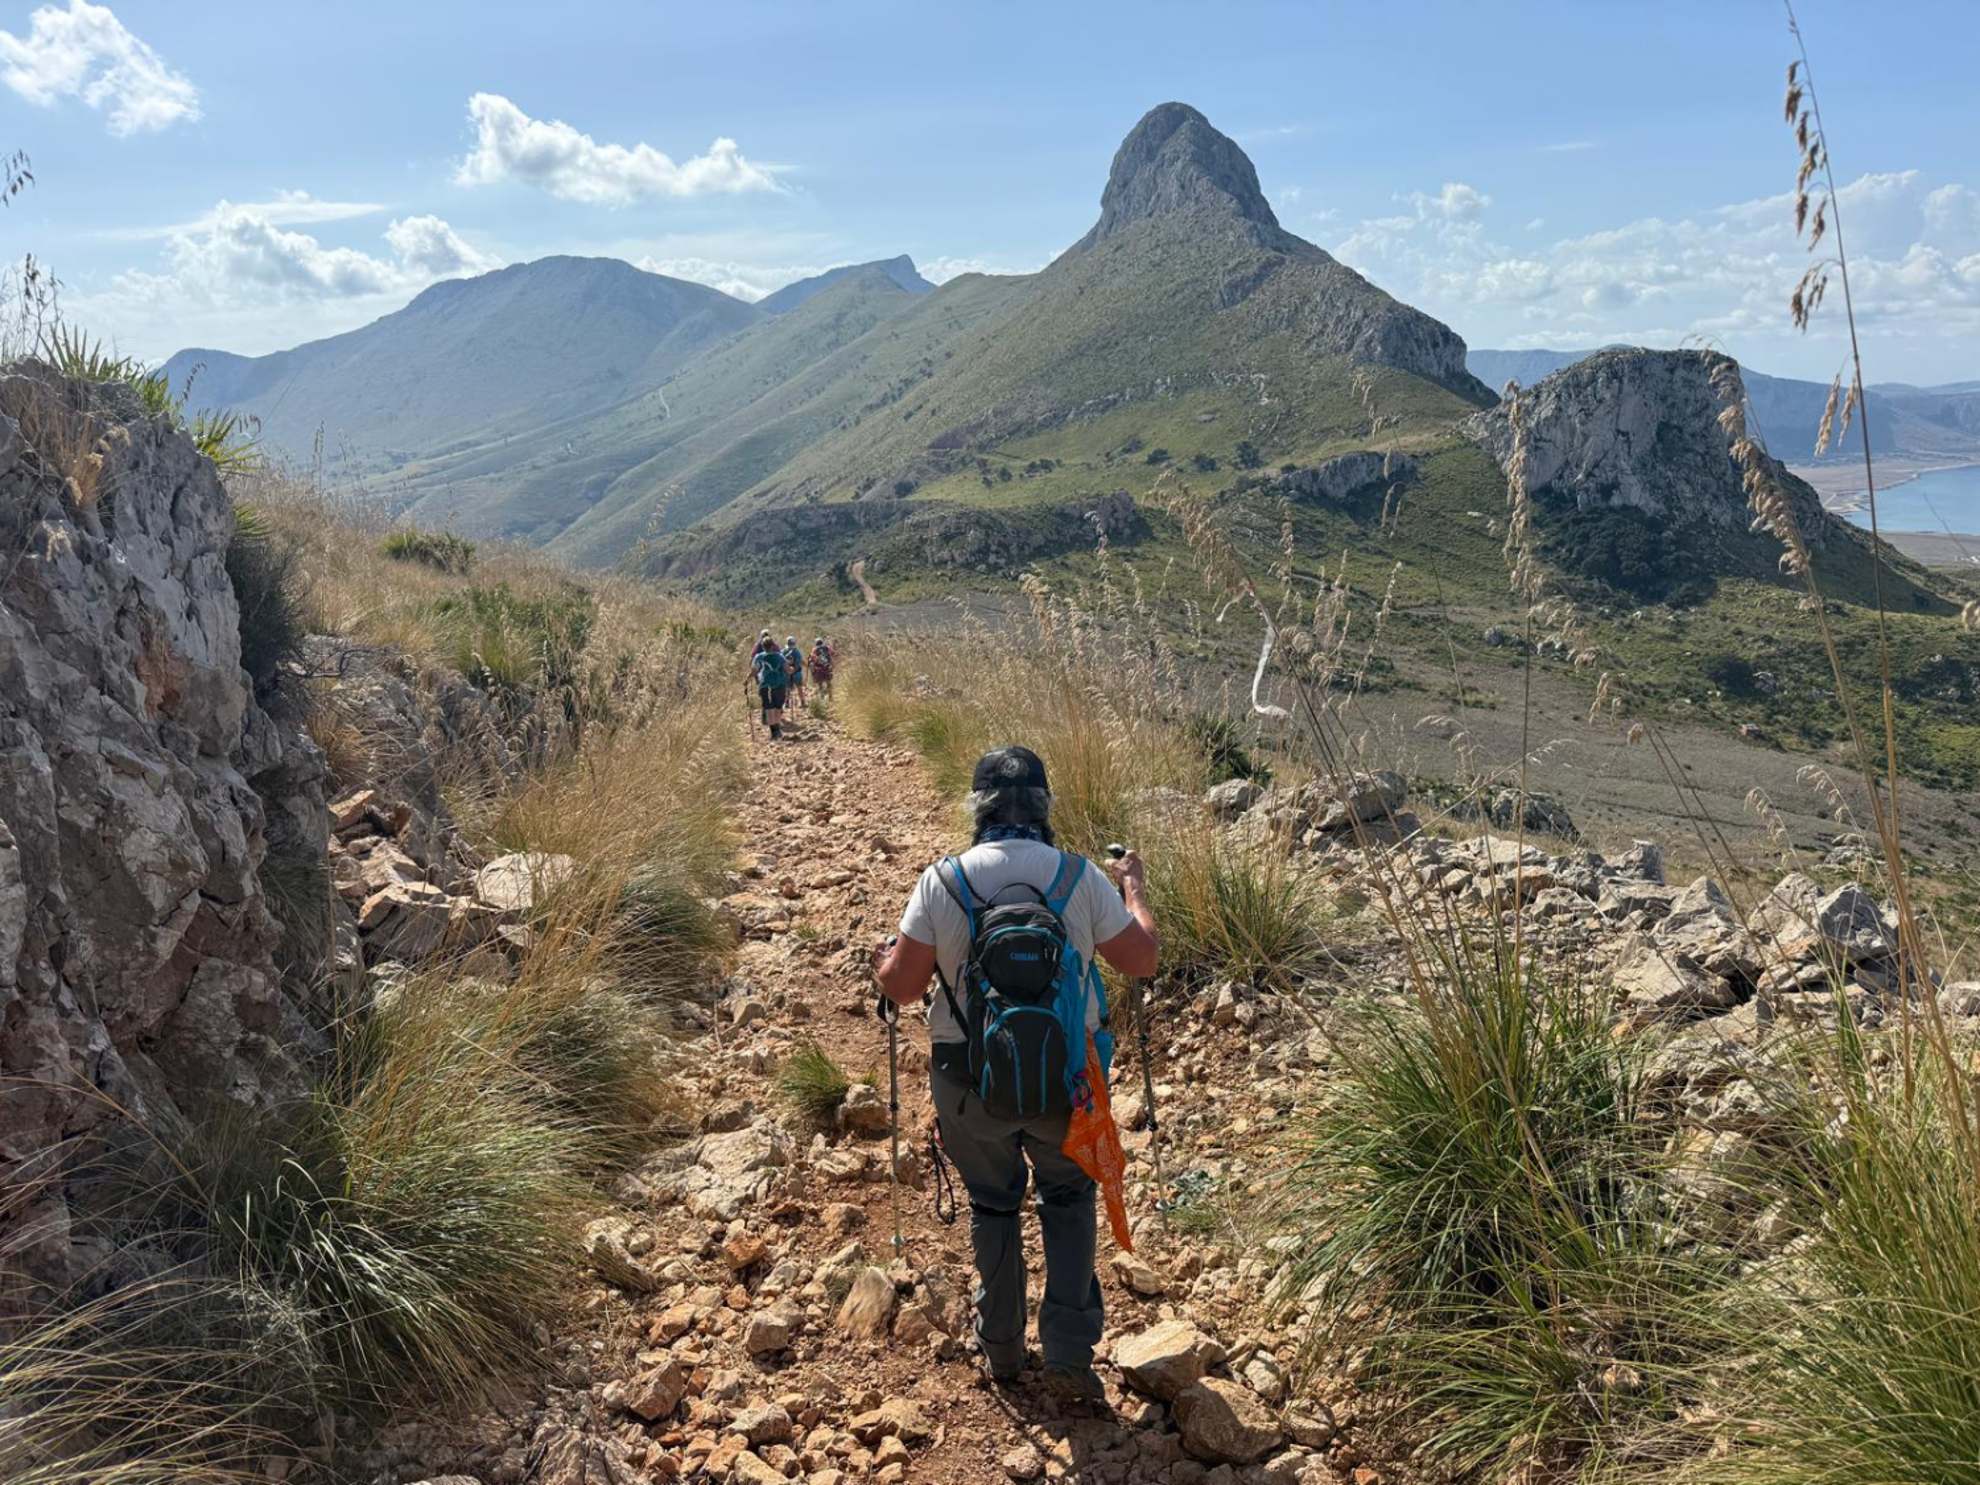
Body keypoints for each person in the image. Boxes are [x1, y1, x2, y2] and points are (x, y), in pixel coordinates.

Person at [873, 746, 1159, 1405]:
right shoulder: (1080, 876)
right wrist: (1134, 891)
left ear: (979, 808)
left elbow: (905, 983)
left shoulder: (942, 881)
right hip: (1070, 1082)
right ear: (1043, 807)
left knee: (994, 1203)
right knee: (1066, 1198)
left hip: (969, 1083)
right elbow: (1140, 958)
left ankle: (1001, 1350)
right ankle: (1066, 1353)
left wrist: (882, 959)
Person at [752, 638, 790, 740]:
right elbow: (788, 670)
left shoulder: (758, 657)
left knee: (769, 709)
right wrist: (793, 668)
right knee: (778, 707)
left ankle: (774, 732)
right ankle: (777, 730)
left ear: (763, 647)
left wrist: (747, 680)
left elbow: (754, 671)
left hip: (765, 685)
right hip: (780, 685)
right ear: (773, 646)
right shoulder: (780, 656)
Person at [781, 635, 807, 709]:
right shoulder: (797, 651)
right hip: (797, 673)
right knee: (799, 688)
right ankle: (802, 702)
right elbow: (800, 661)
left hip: (787, 673)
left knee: (787, 688)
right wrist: (807, 666)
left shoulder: (783, 651)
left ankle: (786, 702)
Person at [810, 635, 835, 700]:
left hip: (819, 669)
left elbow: (812, 657)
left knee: (820, 683)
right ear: (822, 642)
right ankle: (830, 696)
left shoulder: (814, 649)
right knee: (828, 682)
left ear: (816, 643)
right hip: (827, 667)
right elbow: (832, 653)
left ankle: (822, 697)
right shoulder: (827, 647)